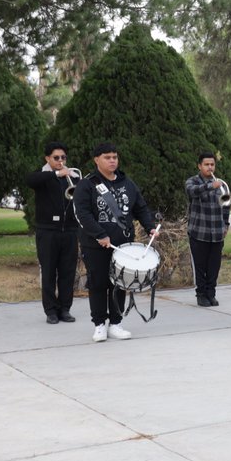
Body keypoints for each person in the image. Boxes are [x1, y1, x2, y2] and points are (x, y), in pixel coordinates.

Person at [72, 143, 157, 342]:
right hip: (96, 244)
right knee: (98, 283)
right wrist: (99, 234)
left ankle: (116, 324)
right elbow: (82, 213)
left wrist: (150, 226)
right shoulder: (88, 184)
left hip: (124, 245)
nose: (112, 161)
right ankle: (99, 325)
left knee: (119, 283)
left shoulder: (127, 183)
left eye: (115, 157)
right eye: (107, 157)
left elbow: (140, 207)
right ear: (96, 160)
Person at [25, 142, 80, 324]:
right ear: (47, 158)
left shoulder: (72, 176)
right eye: (56, 158)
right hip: (48, 231)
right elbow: (30, 180)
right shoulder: (43, 175)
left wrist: (73, 178)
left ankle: (65, 309)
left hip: (70, 230)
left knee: (67, 272)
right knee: (48, 271)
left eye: (63, 158)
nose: (60, 161)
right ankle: (50, 311)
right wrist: (56, 174)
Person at [184, 151, 231, 307]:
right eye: (206, 164)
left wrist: (226, 224)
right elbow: (192, 192)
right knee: (200, 266)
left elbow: (226, 206)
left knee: (214, 266)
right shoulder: (192, 181)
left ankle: (211, 294)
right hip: (199, 232)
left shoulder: (221, 184)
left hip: (217, 233)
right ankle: (201, 294)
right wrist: (210, 186)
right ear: (199, 166)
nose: (210, 167)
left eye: (212, 164)